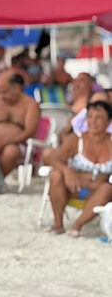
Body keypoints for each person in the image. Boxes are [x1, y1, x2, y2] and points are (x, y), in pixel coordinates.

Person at [43, 100, 112, 236]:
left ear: (109, 121)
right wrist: (66, 171)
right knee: (56, 175)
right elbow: (49, 157)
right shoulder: (77, 140)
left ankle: (77, 225)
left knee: (107, 188)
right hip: (74, 188)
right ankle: (58, 224)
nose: (93, 121)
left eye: (98, 117)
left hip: (99, 194)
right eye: (90, 117)